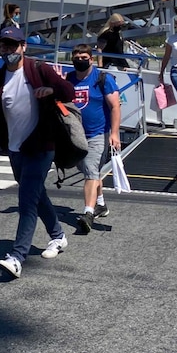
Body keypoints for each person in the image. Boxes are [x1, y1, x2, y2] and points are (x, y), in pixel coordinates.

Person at [0, 25, 75, 279]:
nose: (9, 50)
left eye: (13, 45)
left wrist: (52, 89)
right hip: (15, 148)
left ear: (24, 47)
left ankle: (17, 256)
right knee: (36, 194)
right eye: (4, 45)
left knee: (26, 200)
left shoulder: (37, 69)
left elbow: (70, 92)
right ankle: (58, 236)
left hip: (41, 146)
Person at [66, 44, 120, 233]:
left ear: (91, 58)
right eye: (76, 57)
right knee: (89, 170)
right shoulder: (69, 79)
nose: (80, 61)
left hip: (98, 133)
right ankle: (100, 204)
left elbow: (115, 106)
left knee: (90, 170)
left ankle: (88, 213)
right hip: (77, 135)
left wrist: (114, 133)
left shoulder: (102, 79)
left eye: (84, 57)